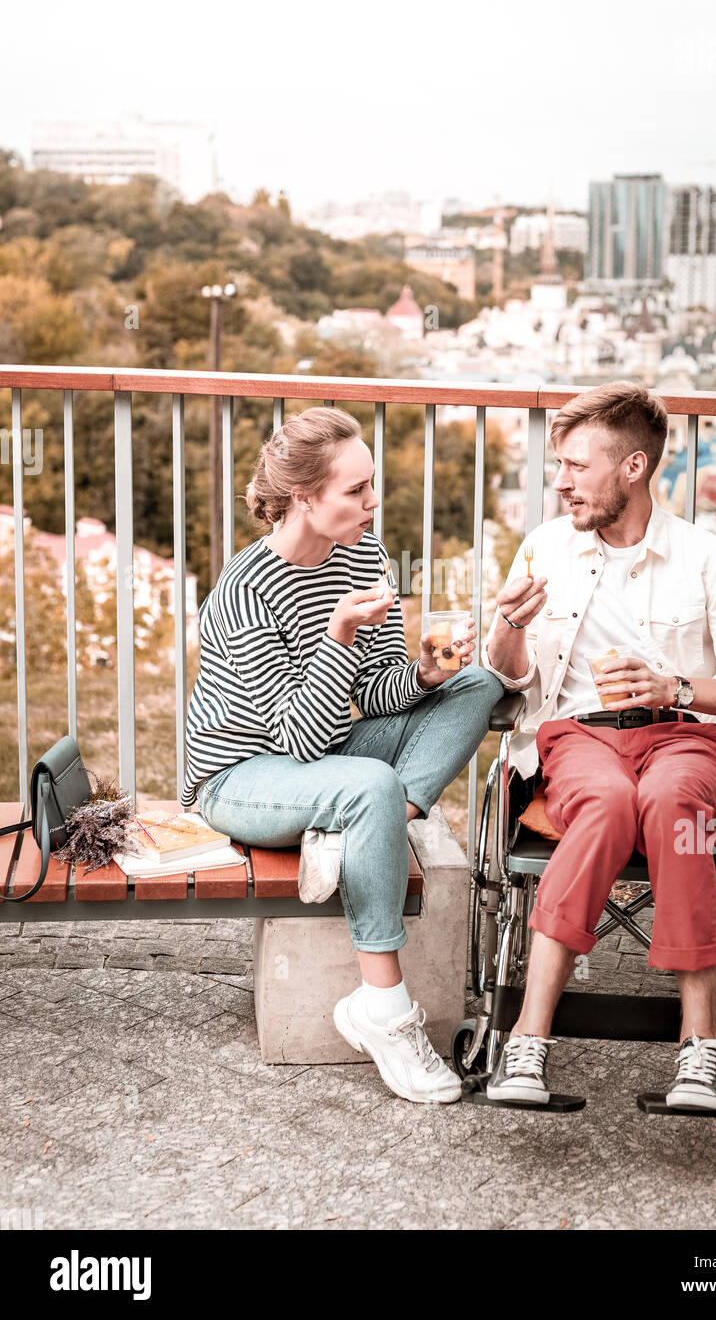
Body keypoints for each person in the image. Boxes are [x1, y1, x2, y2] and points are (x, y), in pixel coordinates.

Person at [181, 407, 503, 1105]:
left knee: (479, 685)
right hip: (241, 774)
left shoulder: (365, 554)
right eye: (355, 491)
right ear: (304, 498)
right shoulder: (244, 591)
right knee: (366, 786)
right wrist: (337, 635)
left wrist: (422, 675)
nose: (371, 502)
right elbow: (294, 739)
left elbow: (380, 696)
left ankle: (368, 820)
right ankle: (383, 1010)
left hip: (331, 754)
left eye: (371, 485)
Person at [481, 381, 716, 1110]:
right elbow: (508, 674)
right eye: (558, 465)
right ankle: (527, 1039)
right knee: (611, 801)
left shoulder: (703, 557)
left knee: (672, 801)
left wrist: (672, 686)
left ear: (634, 468)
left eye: (577, 466)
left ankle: (701, 1046)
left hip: (684, 738)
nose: (560, 482)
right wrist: (509, 627)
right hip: (579, 736)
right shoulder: (544, 549)